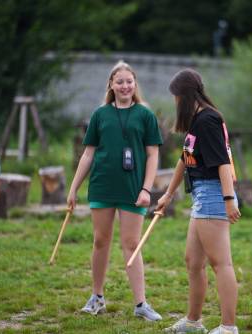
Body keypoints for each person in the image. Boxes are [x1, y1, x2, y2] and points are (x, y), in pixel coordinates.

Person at [67, 61, 163, 321]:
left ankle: (141, 303)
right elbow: (88, 154)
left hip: (134, 189)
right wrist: (74, 188)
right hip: (102, 187)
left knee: (132, 244)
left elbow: (153, 155)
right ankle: (97, 297)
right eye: (119, 82)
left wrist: (147, 188)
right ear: (111, 84)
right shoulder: (100, 114)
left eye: (129, 81)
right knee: (100, 241)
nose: (125, 86)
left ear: (135, 84)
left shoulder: (145, 115)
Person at [157, 69, 241, 334]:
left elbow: (223, 163)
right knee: (193, 261)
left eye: (176, 97)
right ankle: (193, 323)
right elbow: (185, 158)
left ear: (185, 95)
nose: (174, 102)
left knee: (221, 263)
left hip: (213, 194)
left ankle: (229, 328)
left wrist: (229, 200)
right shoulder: (196, 121)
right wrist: (168, 194)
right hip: (201, 196)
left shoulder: (208, 121)